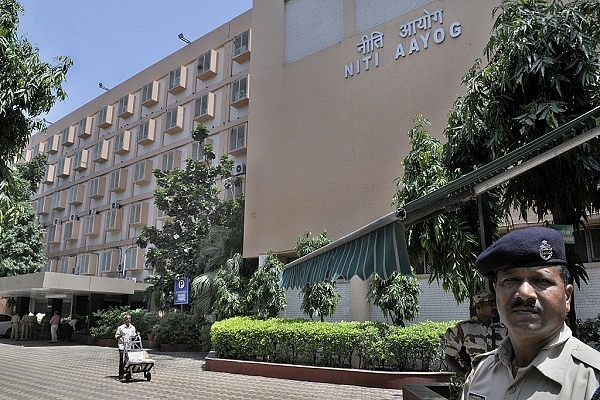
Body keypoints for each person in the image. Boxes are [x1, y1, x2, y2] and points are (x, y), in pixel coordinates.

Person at [462, 226, 600, 399]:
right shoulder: (480, 373)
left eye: (541, 280)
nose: (525, 293)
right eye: (511, 280)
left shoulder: (593, 382)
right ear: (496, 291)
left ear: (567, 297)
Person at [444, 289, 507, 378]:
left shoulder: (503, 329)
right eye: (490, 304)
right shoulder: (464, 329)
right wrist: (467, 376)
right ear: (478, 306)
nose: (494, 307)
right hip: (477, 381)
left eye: (495, 303)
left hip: (500, 379)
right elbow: (449, 357)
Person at [115, 314, 137, 379]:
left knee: (128, 359)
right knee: (121, 358)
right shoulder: (120, 328)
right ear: (124, 320)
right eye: (127, 319)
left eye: (129, 319)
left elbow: (134, 336)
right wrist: (120, 336)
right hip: (122, 345)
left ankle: (127, 372)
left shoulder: (133, 327)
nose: (128, 320)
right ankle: (121, 373)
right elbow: (116, 336)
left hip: (129, 345)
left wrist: (136, 336)